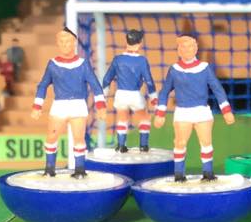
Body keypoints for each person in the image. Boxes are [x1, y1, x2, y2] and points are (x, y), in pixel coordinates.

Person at [154, 34, 234, 181]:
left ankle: (208, 173)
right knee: (180, 143)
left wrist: (226, 110)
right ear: (179, 50)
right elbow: (164, 91)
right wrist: (160, 113)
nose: (187, 50)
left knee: (206, 143)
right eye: (183, 47)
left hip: (202, 112)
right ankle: (179, 175)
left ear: (196, 48)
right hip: (183, 113)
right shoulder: (174, 69)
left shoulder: (205, 68)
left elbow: (217, 89)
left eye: (190, 46)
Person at [31, 26, 106, 178]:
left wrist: (101, 106)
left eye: (68, 41)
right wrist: (37, 106)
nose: (65, 44)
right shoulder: (53, 64)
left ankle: (80, 170)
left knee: (79, 138)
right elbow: (43, 85)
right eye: (61, 41)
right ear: (57, 44)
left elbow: (95, 85)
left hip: (78, 105)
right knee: (51, 137)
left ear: (74, 43)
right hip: (59, 106)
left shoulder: (83, 64)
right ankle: (49, 169)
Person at [103, 29, 157, 153]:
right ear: (139, 43)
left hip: (120, 95)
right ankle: (143, 145)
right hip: (135, 95)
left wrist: (103, 97)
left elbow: (106, 79)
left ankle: (121, 145)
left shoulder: (118, 59)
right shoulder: (142, 60)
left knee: (122, 118)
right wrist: (154, 98)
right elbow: (149, 81)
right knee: (144, 118)